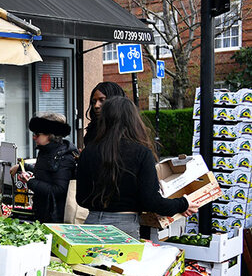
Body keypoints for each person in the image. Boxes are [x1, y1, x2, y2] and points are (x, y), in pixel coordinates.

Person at [76, 96, 198, 239]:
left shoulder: (88, 152)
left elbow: (81, 198)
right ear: (133, 120)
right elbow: (152, 201)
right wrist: (183, 204)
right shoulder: (141, 152)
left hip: (91, 224)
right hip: (124, 227)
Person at [10, 113, 77, 223]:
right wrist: (23, 167)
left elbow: (59, 190)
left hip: (55, 216)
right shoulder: (45, 151)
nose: (34, 137)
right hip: (43, 211)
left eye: (37, 134)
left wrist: (30, 181)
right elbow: (46, 172)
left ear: (50, 135)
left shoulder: (64, 157)